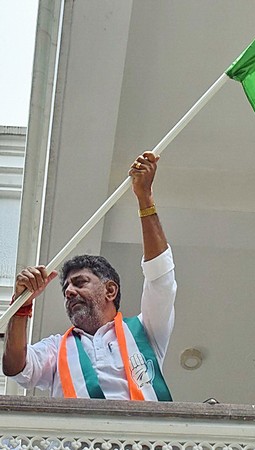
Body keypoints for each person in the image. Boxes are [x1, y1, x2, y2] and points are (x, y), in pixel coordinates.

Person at [2, 152, 176, 401]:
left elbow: (161, 278)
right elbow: (15, 367)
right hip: (77, 441)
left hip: (143, 439)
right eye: (65, 289)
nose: (70, 292)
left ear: (110, 290)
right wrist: (21, 304)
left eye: (80, 282)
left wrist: (145, 198)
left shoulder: (145, 330)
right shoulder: (56, 348)